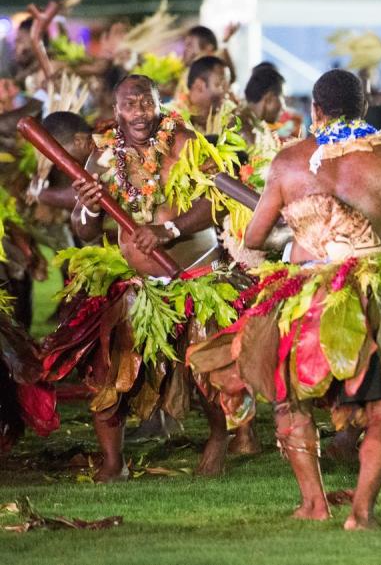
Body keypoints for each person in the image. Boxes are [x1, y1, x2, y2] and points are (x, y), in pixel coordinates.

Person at [189, 69, 381, 529]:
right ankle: (361, 511)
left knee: (289, 402)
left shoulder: (289, 160)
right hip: (374, 288)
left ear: (316, 111)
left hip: (306, 291)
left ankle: (315, 503)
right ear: (364, 109)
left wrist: (291, 241)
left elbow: (256, 238)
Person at [43, 76, 239, 481]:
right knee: (109, 372)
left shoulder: (185, 143)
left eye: (146, 104)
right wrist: (92, 208)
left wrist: (170, 230)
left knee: (207, 371)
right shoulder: (101, 158)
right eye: (130, 106)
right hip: (136, 284)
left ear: (158, 105)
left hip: (193, 274)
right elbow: (84, 230)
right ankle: (114, 463)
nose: (140, 114)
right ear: (116, 111)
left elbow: (219, 203)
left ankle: (219, 437)